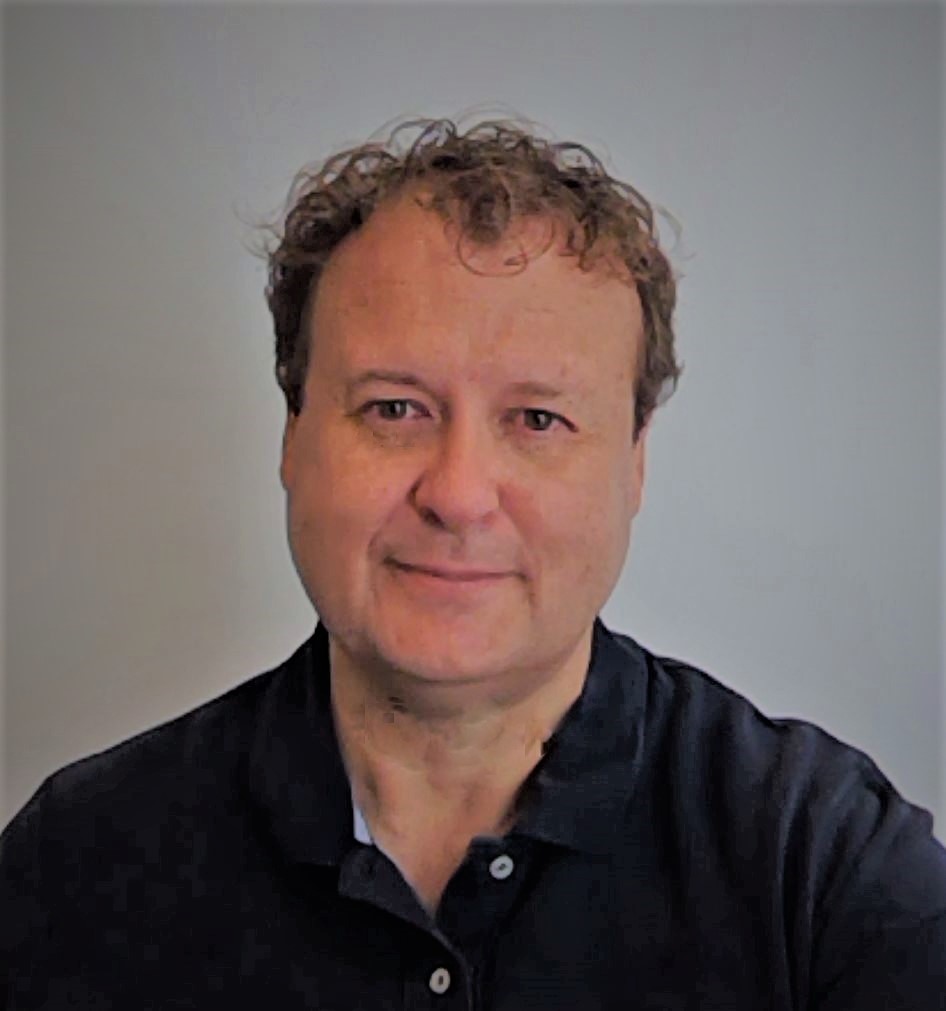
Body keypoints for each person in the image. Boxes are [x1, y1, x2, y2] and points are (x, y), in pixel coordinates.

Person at [2, 117, 944, 1010]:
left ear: (634, 464)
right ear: (293, 435)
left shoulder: (819, 866)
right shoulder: (77, 860)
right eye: (394, 408)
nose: (457, 494)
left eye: (538, 419)